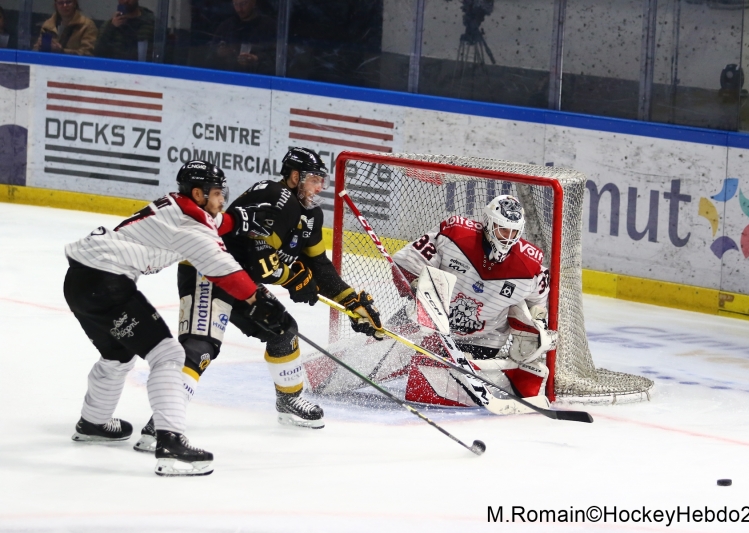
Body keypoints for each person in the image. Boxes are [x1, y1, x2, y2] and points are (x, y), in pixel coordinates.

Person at [132, 148, 384, 452]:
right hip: (207, 269)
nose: (320, 187)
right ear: (295, 177)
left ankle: (288, 399)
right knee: (199, 348)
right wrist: (292, 278)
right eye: (315, 179)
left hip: (239, 279)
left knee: (283, 330)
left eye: (322, 180)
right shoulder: (272, 195)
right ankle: (162, 423)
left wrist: (351, 302)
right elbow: (256, 259)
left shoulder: (310, 215)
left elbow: (320, 267)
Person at [64, 160, 288, 476]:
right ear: (198, 193)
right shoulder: (191, 230)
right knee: (169, 354)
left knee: (118, 353)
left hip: (79, 281)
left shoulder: (173, 205)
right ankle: (170, 443)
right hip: (106, 283)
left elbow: (210, 222)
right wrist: (263, 303)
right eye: (217, 193)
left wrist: (238, 219)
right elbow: (228, 274)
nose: (222, 198)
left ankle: (93, 421)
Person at [392, 194, 557, 407]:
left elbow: (538, 305)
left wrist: (538, 324)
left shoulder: (530, 267)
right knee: (379, 344)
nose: (508, 237)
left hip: (484, 340)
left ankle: (503, 375)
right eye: (503, 229)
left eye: (514, 232)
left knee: (427, 374)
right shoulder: (455, 237)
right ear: (489, 224)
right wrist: (414, 284)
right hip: (431, 328)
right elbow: (405, 262)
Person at [207, 0, 276, 74]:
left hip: (259, 79)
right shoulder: (226, 26)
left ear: (253, 2)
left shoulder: (269, 26)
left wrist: (257, 58)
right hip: (229, 77)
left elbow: (282, 57)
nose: (239, 9)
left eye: (243, 3)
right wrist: (219, 53)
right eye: (235, 4)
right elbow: (209, 57)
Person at [33, 0, 97, 56]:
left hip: (75, 67)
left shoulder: (87, 25)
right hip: (49, 65)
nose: (64, 5)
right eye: (60, 3)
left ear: (75, 3)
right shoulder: (47, 25)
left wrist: (62, 51)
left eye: (68, 2)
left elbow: (88, 53)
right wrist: (39, 47)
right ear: (56, 5)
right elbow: (35, 51)